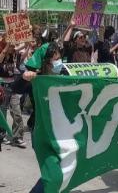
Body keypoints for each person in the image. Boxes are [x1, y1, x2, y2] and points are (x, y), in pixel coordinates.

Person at [21, 42, 68, 193]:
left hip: (61, 132)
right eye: (54, 59)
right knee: (53, 174)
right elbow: (16, 87)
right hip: (42, 133)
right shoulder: (36, 80)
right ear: (45, 62)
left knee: (65, 170)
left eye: (59, 58)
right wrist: (25, 77)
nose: (58, 63)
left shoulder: (64, 75)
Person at [0, 41, 26, 148]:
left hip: (13, 86)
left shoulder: (14, 54)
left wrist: (28, 43)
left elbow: (23, 48)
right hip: (2, 86)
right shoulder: (2, 53)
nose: (13, 47)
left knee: (17, 111)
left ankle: (17, 137)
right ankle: (1, 135)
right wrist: (7, 45)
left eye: (13, 46)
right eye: (11, 46)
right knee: (3, 112)